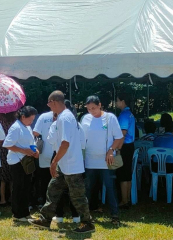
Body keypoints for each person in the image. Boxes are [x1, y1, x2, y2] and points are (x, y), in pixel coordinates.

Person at [29, 91, 95, 234]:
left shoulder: (65, 118)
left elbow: (65, 143)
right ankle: (45, 219)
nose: (48, 106)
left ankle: (87, 223)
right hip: (64, 164)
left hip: (71, 164)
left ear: (54, 101)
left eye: (48, 102)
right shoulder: (62, 118)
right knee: (52, 190)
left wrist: (54, 162)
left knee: (77, 196)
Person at [81, 96, 124, 226]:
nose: (91, 111)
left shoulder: (110, 118)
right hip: (90, 159)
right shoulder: (85, 119)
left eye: (93, 108)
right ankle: (85, 215)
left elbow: (119, 137)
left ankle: (115, 215)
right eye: (88, 109)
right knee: (88, 188)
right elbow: (82, 138)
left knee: (110, 187)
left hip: (107, 160)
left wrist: (111, 150)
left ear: (100, 105)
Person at [3, 106, 39, 222]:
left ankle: (25, 212)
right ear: (23, 117)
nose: (31, 122)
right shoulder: (16, 127)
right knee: (18, 187)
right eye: (31, 119)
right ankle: (17, 214)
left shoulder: (27, 127)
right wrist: (24, 151)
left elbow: (31, 142)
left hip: (27, 161)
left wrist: (35, 150)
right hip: (17, 161)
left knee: (26, 187)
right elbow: (7, 144)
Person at [115, 93, 136, 209]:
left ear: (122, 101)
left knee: (122, 174)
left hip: (124, 146)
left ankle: (123, 201)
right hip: (130, 145)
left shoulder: (123, 115)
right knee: (127, 174)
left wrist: (118, 149)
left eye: (117, 100)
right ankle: (127, 199)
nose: (116, 103)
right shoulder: (130, 114)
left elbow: (122, 133)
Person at [33, 110, 54, 207]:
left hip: (44, 152)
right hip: (59, 153)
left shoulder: (43, 116)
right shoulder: (65, 115)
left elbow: (36, 132)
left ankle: (44, 202)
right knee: (58, 179)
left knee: (44, 179)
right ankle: (55, 203)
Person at [0, 112, 17, 206]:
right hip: (13, 148)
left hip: (1, 150)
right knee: (12, 175)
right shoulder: (15, 121)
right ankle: (12, 198)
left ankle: (2, 199)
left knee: (2, 177)